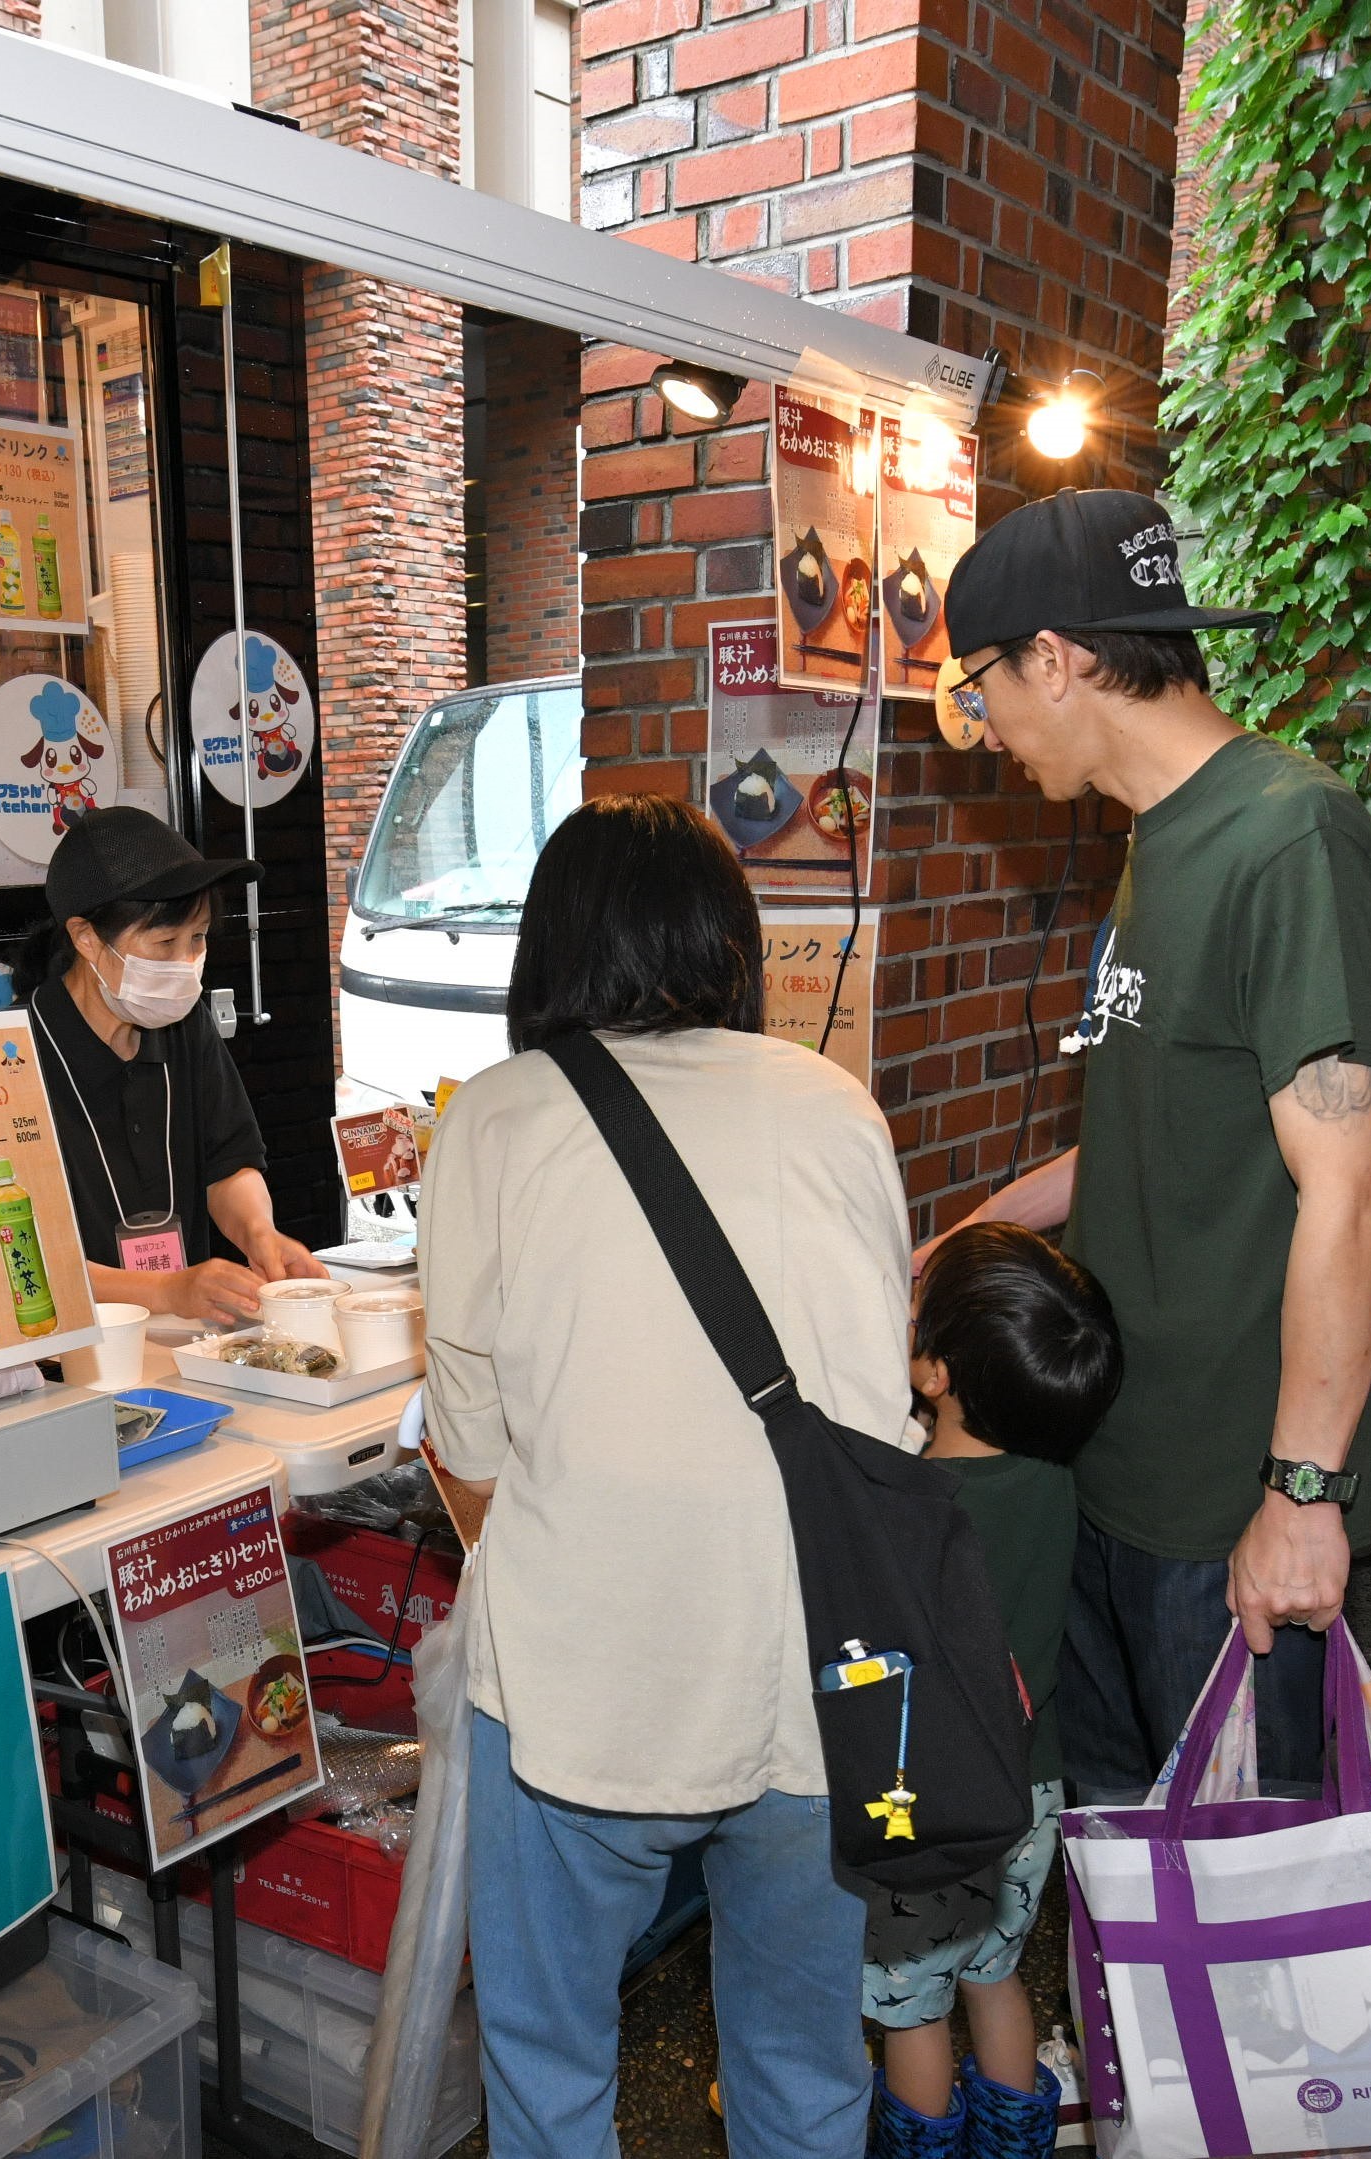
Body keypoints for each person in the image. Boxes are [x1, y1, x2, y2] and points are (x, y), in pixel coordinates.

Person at [422, 793, 908, 2159]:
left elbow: (468, 1441)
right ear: (729, 938)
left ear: (551, 944)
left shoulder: (498, 1116)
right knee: (805, 2058)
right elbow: (874, 1391)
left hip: (580, 1683)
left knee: (549, 2053)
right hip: (819, 1672)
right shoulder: (837, 1103)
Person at [936, 489, 1371, 1800]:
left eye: (979, 687)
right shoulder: (1155, 838)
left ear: (1054, 657)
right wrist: (953, 1242)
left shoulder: (1289, 837)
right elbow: (1151, 1129)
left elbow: (1348, 1191)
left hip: (1226, 1503)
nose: (985, 727)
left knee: (1244, 1891)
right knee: (1115, 1841)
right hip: (1109, 1458)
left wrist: (1300, 1493)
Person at [865, 1222, 1122, 2159]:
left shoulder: (910, 1502)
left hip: (930, 1809)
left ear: (934, 1372)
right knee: (995, 1976)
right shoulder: (1056, 1479)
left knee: (914, 2010)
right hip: (1033, 1789)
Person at [14, 807, 327, 1324]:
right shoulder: (12, 1056)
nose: (185, 963)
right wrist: (165, 1290)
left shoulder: (186, 1024)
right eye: (164, 943)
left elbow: (228, 1161)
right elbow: (16, 1257)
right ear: (86, 938)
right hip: (73, 1348)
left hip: (185, 1336)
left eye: (197, 938)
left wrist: (259, 1234)